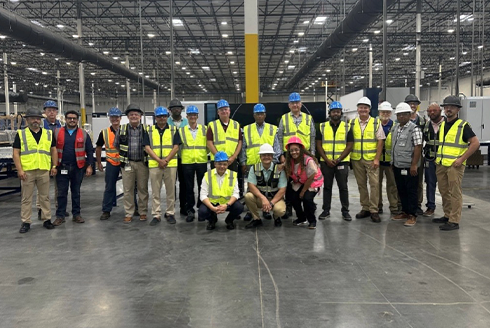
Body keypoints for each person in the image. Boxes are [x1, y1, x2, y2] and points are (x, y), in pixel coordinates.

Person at [433, 96, 480, 231]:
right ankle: (447, 215)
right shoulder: (442, 125)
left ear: (458, 109)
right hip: (442, 164)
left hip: (455, 165)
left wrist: (461, 159)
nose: (448, 109)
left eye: (452, 107)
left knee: (455, 192)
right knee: (443, 191)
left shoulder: (463, 126)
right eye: (446, 107)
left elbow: (475, 143)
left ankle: (454, 220)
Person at [114, 104, 163, 223]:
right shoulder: (122, 129)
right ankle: (129, 212)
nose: (134, 116)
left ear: (140, 116)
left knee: (143, 189)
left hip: (142, 163)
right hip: (127, 163)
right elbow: (116, 145)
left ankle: (143, 212)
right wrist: (124, 156)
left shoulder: (147, 129)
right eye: (131, 114)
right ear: (128, 116)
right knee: (128, 189)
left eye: (136, 114)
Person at [13, 108, 58, 233]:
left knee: (45, 197)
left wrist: (54, 166)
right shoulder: (21, 134)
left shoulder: (48, 133)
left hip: (43, 169)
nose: (36, 121)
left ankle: (46, 219)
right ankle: (26, 222)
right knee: (26, 198)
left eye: (38, 118)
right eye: (33, 118)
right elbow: (16, 153)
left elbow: (53, 150)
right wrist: (20, 170)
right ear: (27, 120)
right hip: (27, 171)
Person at [273, 92, 316, 218]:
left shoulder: (308, 118)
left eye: (297, 102)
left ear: (301, 104)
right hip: (289, 154)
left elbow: (312, 137)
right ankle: (289, 207)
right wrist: (281, 154)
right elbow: (279, 137)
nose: (295, 105)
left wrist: (312, 154)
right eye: (292, 103)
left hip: (304, 154)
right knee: (288, 182)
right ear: (289, 105)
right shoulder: (284, 118)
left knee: (306, 180)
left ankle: (309, 205)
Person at [52, 110, 94, 226]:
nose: (72, 120)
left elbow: (90, 151)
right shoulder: (56, 132)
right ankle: (60, 216)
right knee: (61, 193)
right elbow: (52, 150)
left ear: (77, 120)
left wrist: (89, 166)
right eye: (69, 118)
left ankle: (76, 214)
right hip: (62, 167)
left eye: (74, 118)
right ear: (65, 119)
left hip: (78, 167)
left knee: (76, 192)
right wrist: (54, 166)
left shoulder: (84, 134)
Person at [316, 101, 353, 221]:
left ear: (341, 113)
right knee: (327, 187)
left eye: (337, 111)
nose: (335, 113)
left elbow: (349, 145)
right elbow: (318, 145)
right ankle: (326, 210)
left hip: (341, 162)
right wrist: (326, 159)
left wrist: (338, 159)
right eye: (333, 111)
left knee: (343, 187)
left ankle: (345, 211)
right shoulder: (322, 126)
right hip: (326, 163)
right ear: (330, 113)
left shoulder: (347, 126)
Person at [350, 97, 385, 223]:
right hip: (356, 158)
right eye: (361, 107)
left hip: (371, 160)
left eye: (365, 107)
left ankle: (374, 210)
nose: (363, 110)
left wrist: (376, 158)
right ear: (358, 109)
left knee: (374, 185)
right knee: (361, 184)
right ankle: (365, 207)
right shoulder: (352, 123)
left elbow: (380, 141)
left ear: (369, 109)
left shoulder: (376, 122)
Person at [240, 103, 277, 221]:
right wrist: (243, 162)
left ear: (265, 115)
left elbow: (276, 147)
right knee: (251, 188)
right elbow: (243, 147)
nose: (259, 116)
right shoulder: (247, 129)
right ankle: (251, 212)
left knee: (266, 188)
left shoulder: (272, 128)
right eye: (257, 114)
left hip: (267, 165)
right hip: (252, 163)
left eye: (261, 114)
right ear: (254, 115)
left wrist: (274, 163)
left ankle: (266, 210)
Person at [390, 103, 423, 227]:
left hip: (410, 166)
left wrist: (414, 165)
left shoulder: (414, 129)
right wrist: (393, 162)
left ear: (410, 115)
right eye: (399, 114)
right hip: (398, 165)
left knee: (411, 191)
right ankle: (404, 211)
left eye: (404, 114)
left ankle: (412, 215)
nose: (401, 116)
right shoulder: (396, 128)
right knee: (401, 190)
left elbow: (418, 147)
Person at [147, 107, 181, 226]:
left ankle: (170, 213)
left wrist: (165, 160)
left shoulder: (173, 129)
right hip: (155, 165)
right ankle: (156, 215)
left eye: (164, 116)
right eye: (159, 116)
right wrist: (158, 160)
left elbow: (176, 147)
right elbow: (146, 147)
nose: (162, 118)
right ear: (155, 118)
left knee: (170, 190)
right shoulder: (149, 130)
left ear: (167, 117)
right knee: (155, 191)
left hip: (170, 165)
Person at [284, 136, 323, 229]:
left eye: (296, 150)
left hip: (313, 182)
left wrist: (302, 191)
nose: (294, 152)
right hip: (301, 181)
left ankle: (312, 221)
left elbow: (311, 177)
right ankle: (301, 218)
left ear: (301, 149)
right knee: (293, 198)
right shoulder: (290, 161)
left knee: (306, 199)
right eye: (291, 150)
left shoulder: (308, 160)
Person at [244, 144, 287, 228]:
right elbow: (251, 185)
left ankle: (276, 217)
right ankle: (256, 219)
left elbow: (282, 190)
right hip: (260, 199)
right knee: (248, 196)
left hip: (275, 199)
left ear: (272, 156)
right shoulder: (254, 168)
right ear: (260, 156)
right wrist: (263, 198)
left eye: (269, 155)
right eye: (264, 155)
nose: (266, 157)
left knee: (280, 210)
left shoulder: (279, 169)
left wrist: (271, 203)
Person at [198, 151, 244, 230]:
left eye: (224, 164)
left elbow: (236, 194)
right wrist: (212, 208)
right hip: (212, 203)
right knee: (202, 212)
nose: (222, 166)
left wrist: (227, 205)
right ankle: (212, 220)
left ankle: (229, 220)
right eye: (219, 164)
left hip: (227, 203)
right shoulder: (207, 175)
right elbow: (203, 195)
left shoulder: (232, 175)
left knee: (239, 207)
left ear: (227, 164)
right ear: (215, 164)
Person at [207, 99, 243, 196]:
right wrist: (219, 157)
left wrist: (233, 157)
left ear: (229, 111)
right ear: (218, 112)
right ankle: (216, 202)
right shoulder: (212, 125)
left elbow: (240, 142)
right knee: (216, 182)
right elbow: (209, 142)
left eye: (226, 109)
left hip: (232, 160)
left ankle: (231, 203)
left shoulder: (236, 125)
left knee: (231, 182)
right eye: (221, 110)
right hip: (217, 161)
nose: (224, 111)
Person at [179, 105, 208, 222]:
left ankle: (201, 209)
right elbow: (178, 147)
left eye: (194, 115)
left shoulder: (205, 129)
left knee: (203, 187)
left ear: (197, 116)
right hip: (187, 162)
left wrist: (205, 155)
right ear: (187, 116)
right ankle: (190, 210)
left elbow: (209, 144)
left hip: (201, 161)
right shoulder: (182, 130)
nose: (192, 117)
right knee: (188, 188)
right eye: (190, 115)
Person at [37, 100, 62, 220]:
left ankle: (59, 207)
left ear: (56, 112)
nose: (51, 112)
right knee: (42, 186)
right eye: (49, 110)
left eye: (53, 110)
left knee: (59, 185)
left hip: (57, 158)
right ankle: (40, 209)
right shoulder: (40, 125)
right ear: (45, 112)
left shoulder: (61, 125)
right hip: (44, 158)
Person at [96, 107, 122, 220]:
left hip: (124, 162)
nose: (114, 119)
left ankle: (134, 208)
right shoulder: (104, 132)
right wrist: (98, 163)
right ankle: (106, 210)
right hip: (111, 162)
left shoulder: (125, 130)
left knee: (130, 187)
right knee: (109, 187)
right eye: (112, 117)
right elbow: (98, 147)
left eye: (116, 117)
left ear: (120, 118)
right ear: (110, 118)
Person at [377, 101, 400, 217]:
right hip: (377, 160)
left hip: (390, 161)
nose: (385, 114)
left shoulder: (395, 126)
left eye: (387, 112)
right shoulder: (375, 125)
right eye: (383, 112)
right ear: (379, 112)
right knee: (376, 184)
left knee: (392, 185)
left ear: (390, 113)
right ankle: (378, 205)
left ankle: (394, 206)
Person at [422, 102, 444, 217]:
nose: (432, 113)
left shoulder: (447, 124)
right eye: (429, 111)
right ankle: (430, 207)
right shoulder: (426, 125)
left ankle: (448, 209)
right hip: (430, 159)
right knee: (430, 183)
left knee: (445, 185)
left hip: (444, 160)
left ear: (440, 111)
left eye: (434, 110)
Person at [167, 98, 188, 216]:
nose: (176, 109)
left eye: (178, 108)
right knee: (171, 185)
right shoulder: (166, 123)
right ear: (170, 110)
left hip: (184, 158)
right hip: (170, 159)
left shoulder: (186, 122)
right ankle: (171, 207)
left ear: (181, 109)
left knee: (184, 184)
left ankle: (183, 207)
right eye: (174, 108)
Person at [405, 94, 426, 215]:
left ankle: (417, 204)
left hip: (418, 155)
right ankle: (404, 204)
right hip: (404, 154)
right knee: (404, 180)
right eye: (410, 103)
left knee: (418, 180)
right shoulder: (401, 119)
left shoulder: (423, 121)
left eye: (415, 104)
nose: (412, 105)